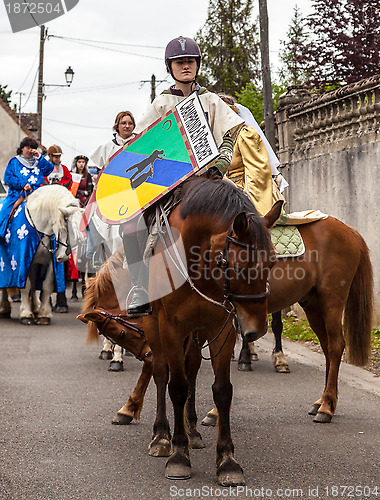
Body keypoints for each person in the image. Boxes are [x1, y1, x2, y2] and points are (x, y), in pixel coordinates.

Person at [121, 36, 244, 316]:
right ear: (171, 67)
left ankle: (250, 286)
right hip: (171, 184)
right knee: (130, 227)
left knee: (249, 215)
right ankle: (140, 287)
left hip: (210, 180)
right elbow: (141, 140)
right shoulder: (161, 103)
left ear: (197, 65)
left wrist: (222, 162)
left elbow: (229, 134)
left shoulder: (211, 101)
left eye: (190, 61)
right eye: (180, 62)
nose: (185, 66)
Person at [218, 93, 288, 216]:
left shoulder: (245, 135)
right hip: (223, 189)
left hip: (247, 189)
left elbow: (257, 172)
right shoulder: (219, 140)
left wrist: (241, 195)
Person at [0, 137, 53, 238]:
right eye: (28, 147)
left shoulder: (38, 162)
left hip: (37, 195)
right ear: (22, 148)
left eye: (32, 148)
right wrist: (23, 184)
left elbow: (49, 170)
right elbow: (8, 178)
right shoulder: (14, 162)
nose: (30, 150)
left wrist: (40, 157)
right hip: (17, 195)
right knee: (4, 213)